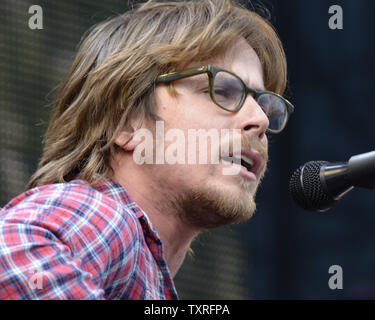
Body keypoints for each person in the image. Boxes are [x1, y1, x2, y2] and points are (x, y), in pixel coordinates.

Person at [0, 0, 293, 299]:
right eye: (222, 91)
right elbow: (9, 252)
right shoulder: (104, 213)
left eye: (264, 104)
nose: (260, 119)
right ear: (125, 123)